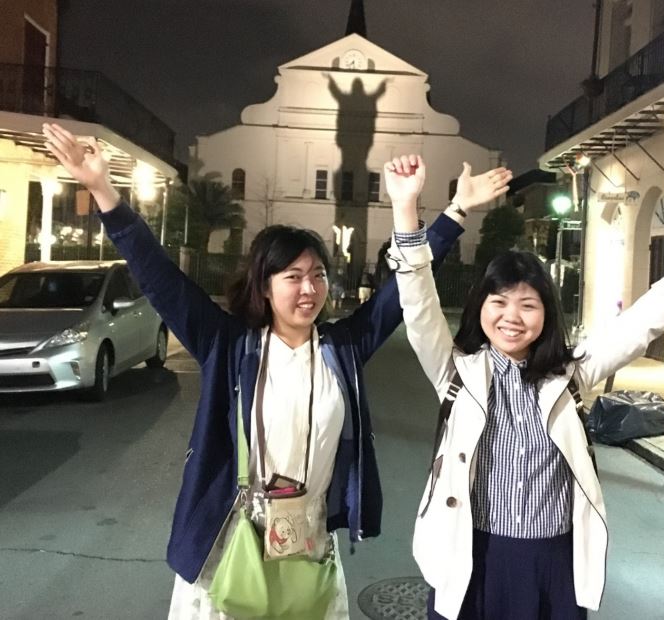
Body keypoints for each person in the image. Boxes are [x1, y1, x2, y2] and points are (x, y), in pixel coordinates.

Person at [41, 122, 512, 620]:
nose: (309, 289)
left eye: (318, 275)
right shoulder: (231, 345)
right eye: (293, 277)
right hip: (231, 540)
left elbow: (403, 292)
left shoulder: (341, 348)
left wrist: (453, 212)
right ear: (264, 286)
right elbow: (160, 278)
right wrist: (101, 189)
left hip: (307, 541)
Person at [385, 156, 664, 620]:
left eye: (528, 304)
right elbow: (418, 301)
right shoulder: (456, 373)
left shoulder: (570, 375)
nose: (511, 317)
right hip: (472, 556)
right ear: (479, 308)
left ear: (546, 315)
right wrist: (405, 208)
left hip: (553, 562)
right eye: (498, 302)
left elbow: (645, 318)